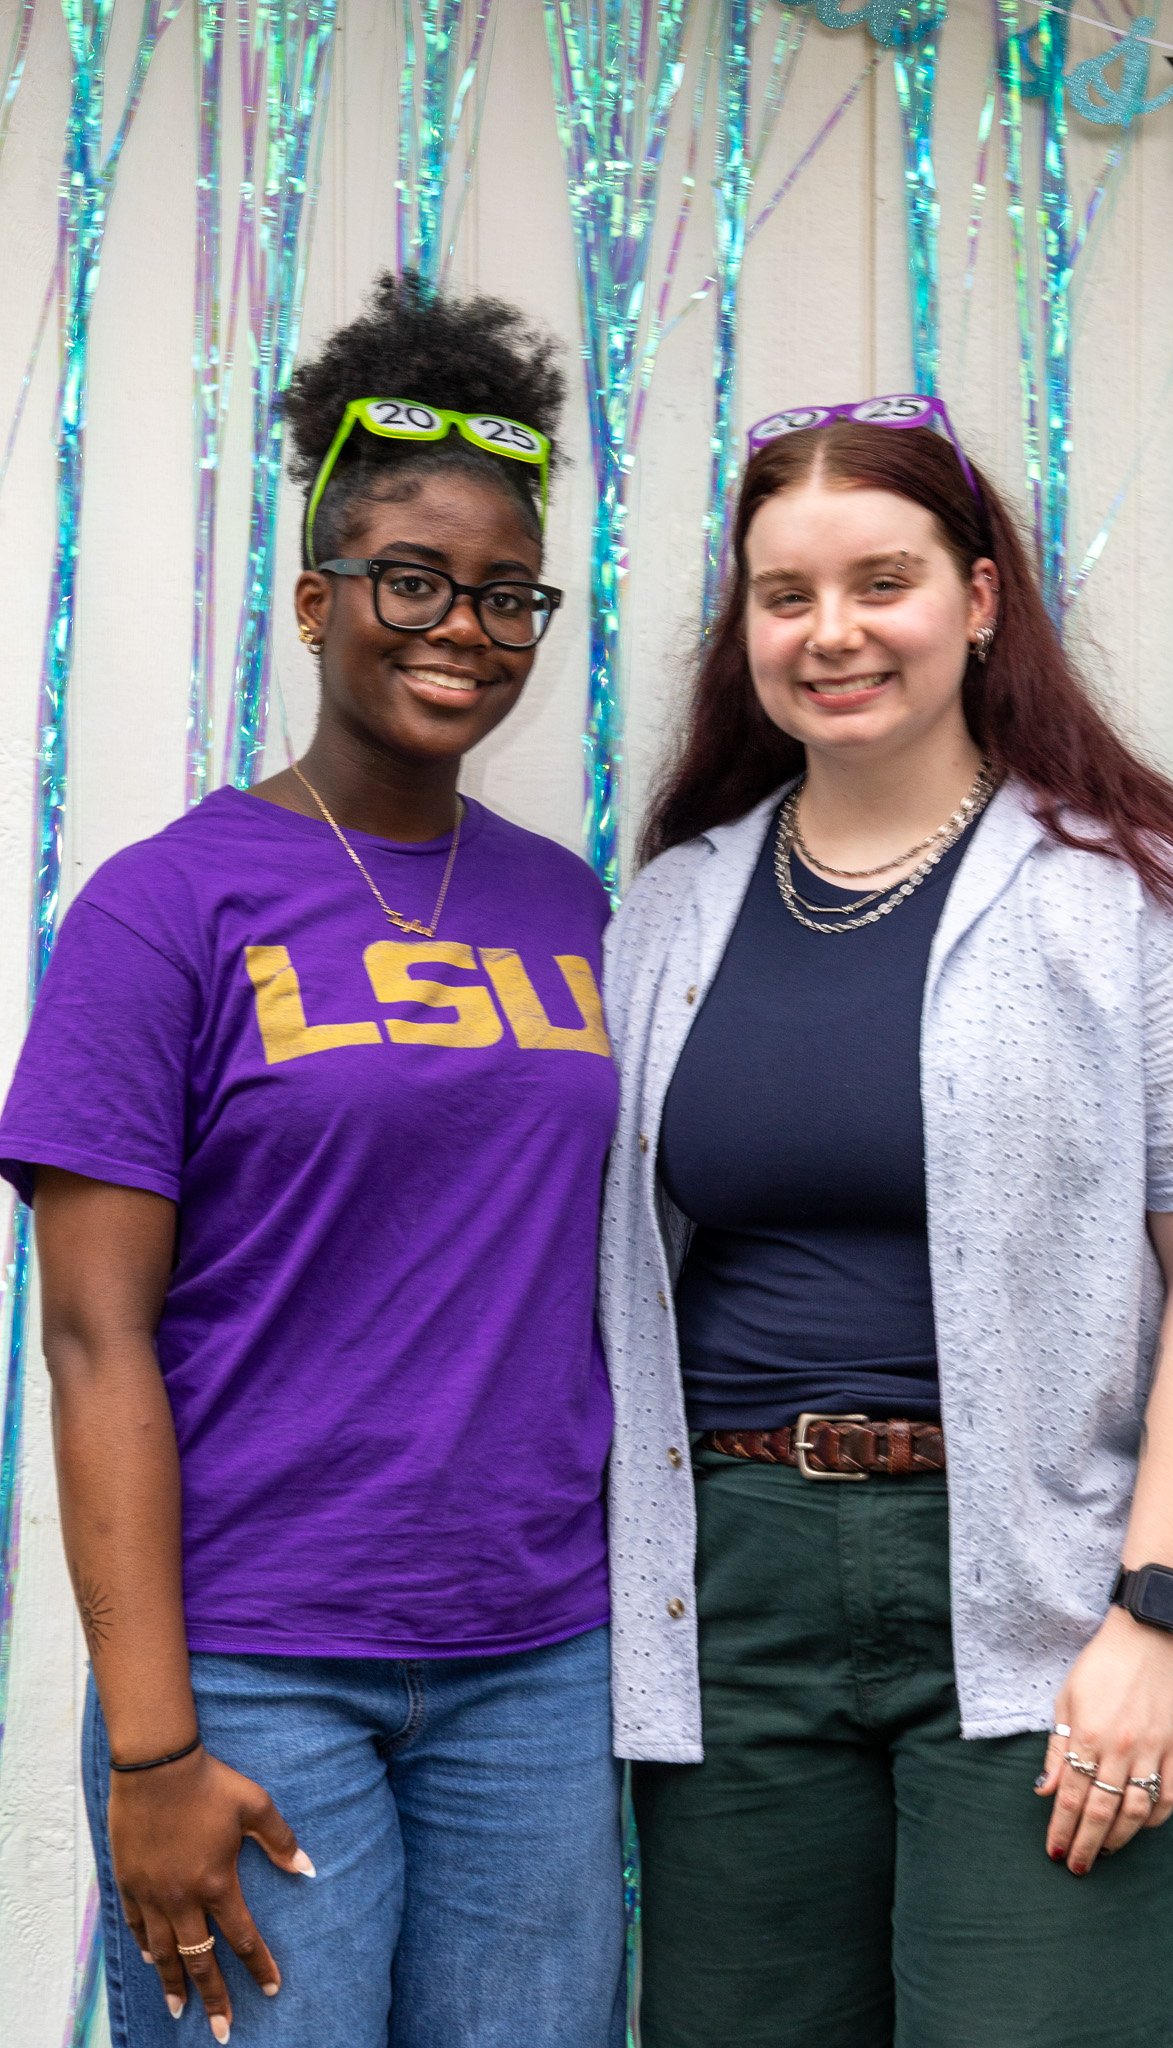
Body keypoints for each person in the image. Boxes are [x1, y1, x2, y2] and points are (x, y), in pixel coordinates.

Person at [596, 395, 1173, 2048]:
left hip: (1047, 1596)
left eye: (882, 581)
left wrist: (1156, 1614)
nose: (831, 633)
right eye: (785, 596)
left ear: (979, 598)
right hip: (733, 1602)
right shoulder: (671, 909)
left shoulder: (1129, 888)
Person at [0, 274, 626, 2048]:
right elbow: (92, 1340)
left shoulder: (569, 907)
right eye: (413, 580)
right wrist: (152, 1746)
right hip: (260, 1669)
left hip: (537, 1663)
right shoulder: (163, 908)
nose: (464, 629)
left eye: (507, 594)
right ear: (315, 601)